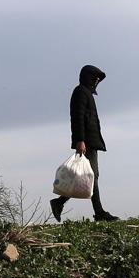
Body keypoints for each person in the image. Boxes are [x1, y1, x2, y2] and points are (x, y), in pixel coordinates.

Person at [51, 65, 119, 222]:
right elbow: (77, 117)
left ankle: (59, 202)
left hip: (90, 141)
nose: (96, 81)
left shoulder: (86, 93)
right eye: (95, 78)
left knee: (87, 176)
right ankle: (99, 212)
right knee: (91, 175)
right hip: (86, 141)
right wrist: (80, 140)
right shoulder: (80, 92)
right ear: (88, 78)